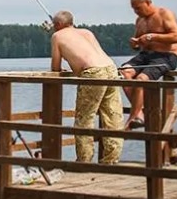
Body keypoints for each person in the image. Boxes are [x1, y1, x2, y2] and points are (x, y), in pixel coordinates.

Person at [50, 10, 123, 164]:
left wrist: (62, 69)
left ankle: (84, 160)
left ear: (57, 25)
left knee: (84, 119)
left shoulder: (57, 36)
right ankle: (111, 160)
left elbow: (55, 68)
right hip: (110, 68)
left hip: (93, 73)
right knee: (112, 115)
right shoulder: (86, 32)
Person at [120, 0, 177, 130]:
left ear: (148, 2)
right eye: (134, 9)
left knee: (141, 79)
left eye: (138, 8)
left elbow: (176, 37)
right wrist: (135, 43)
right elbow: (138, 44)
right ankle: (141, 112)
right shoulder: (139, 21)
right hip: (146, 56)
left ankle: (134, 116)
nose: (136, 12)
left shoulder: (164, 14)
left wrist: (152, 37)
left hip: (166, 55)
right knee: (123, 72)